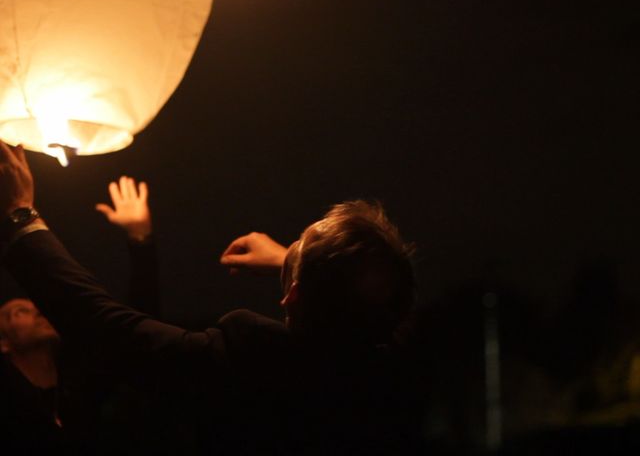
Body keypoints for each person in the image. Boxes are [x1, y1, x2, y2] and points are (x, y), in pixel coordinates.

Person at [0, 141, 425, 455]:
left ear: (293, 294)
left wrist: (21, 213)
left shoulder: (253, 360)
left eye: (298, 242)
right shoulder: (386, 376)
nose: (287, 247)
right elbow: (358, 302)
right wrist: (292, 260)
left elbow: (110, 327)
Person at [0, 173, 158, 453]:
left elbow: (135, 332)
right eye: (19, 312)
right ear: (3, 342)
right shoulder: (10, 400)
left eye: (37, 307)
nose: (39, 313)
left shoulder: (82, 387)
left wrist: (140, 238)